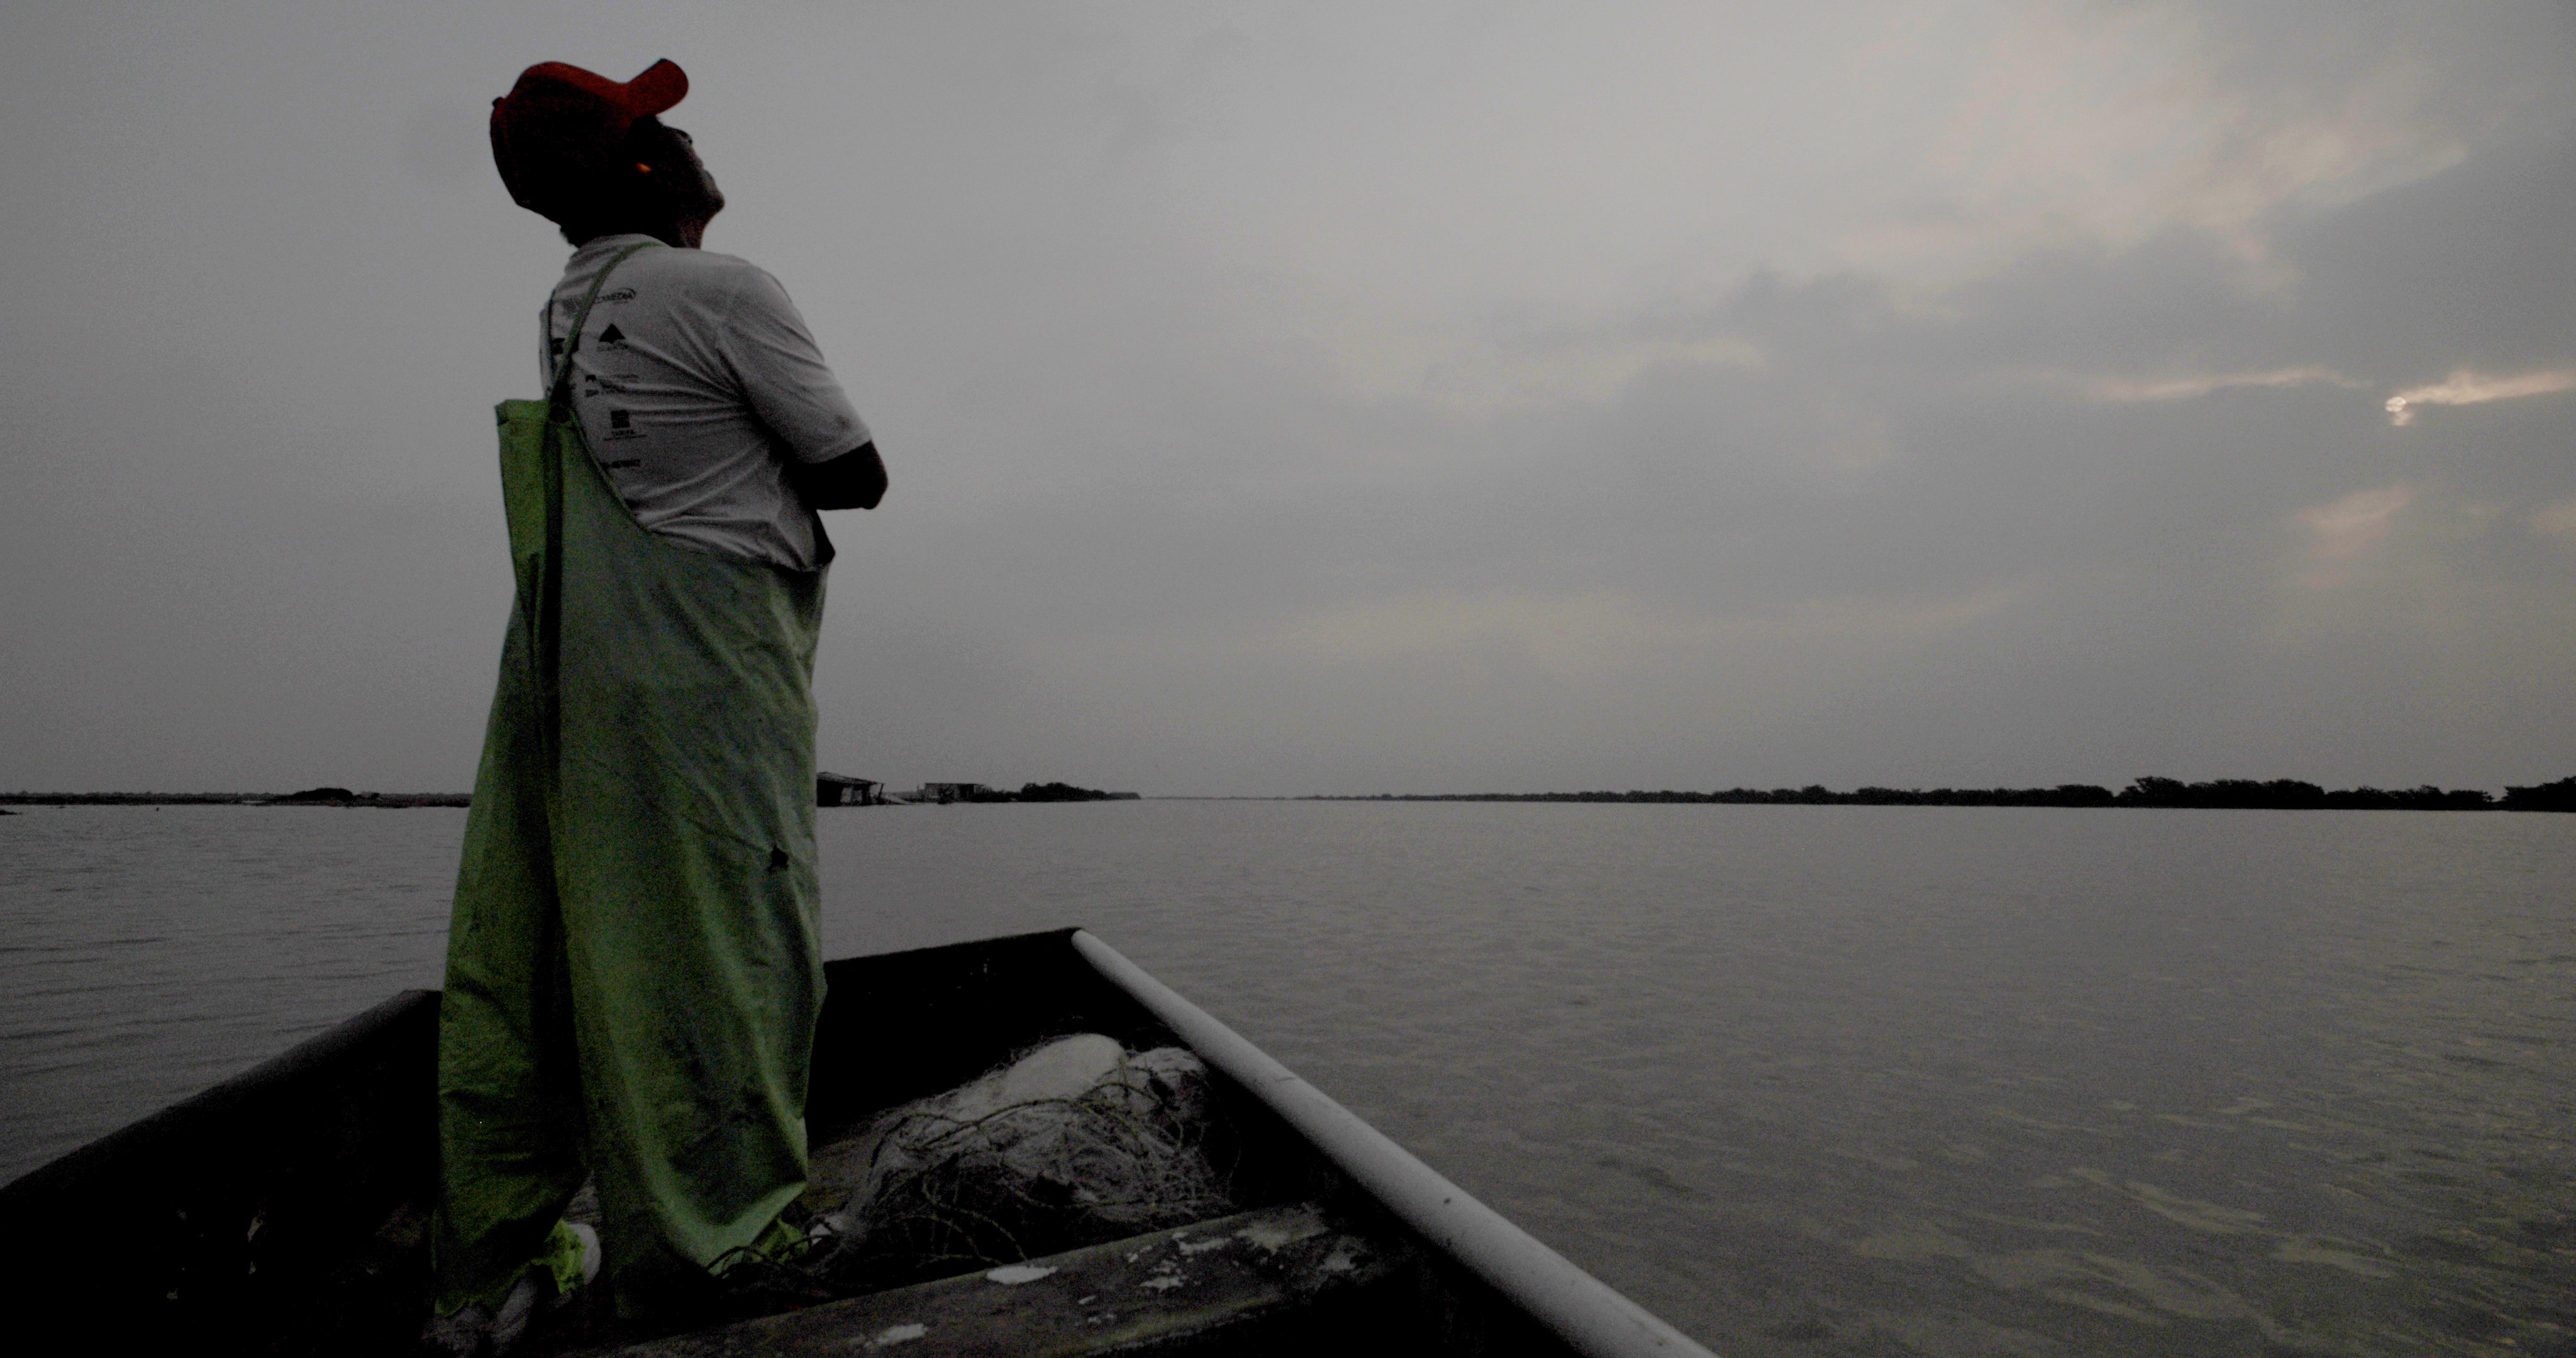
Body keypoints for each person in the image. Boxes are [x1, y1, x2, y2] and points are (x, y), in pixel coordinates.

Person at [427, 58, 885, 1354]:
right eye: (663, 130)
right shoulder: (718, 288)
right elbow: (855, 472)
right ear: (637, 171)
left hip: (602, 671)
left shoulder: (571, 303)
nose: (689, 143)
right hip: (706, 660)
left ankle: (566, 1238)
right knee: (738, 930)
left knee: (619, 941)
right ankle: (725, 1243)